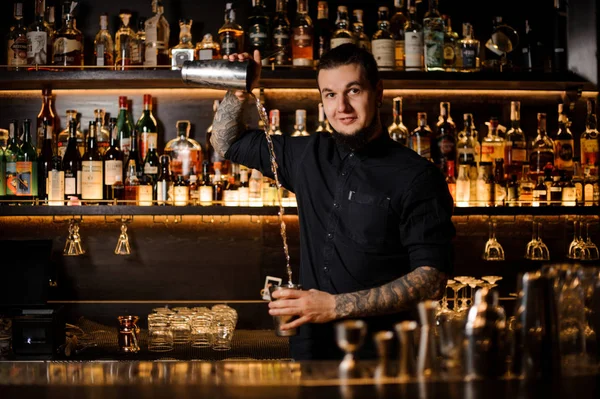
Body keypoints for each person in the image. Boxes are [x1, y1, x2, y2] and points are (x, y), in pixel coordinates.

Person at [210, 43, 455, 361]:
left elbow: (431, 280)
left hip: (385, 358)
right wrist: (238, 91)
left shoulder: (418, 176)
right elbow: (225, 141)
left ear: (377, 93)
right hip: (312, 353)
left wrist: (334, 306)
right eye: (329, 94)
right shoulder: (307, 155)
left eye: (353, 91)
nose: (342, 107)